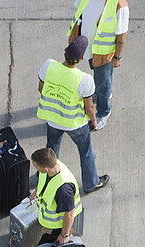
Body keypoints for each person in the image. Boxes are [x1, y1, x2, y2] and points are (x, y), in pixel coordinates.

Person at [36, 35, 109, 194]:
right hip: (75, 124)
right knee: (86, 152)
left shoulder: (48, 65)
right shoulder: (85, 79)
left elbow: (41, 89)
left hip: (52, 119)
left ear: (65, 51)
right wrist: (94, 121)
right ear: (81, 58)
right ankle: (91, 183)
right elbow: (89, 107)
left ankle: (46, 175)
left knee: (52, 149)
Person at [6, 148, 83, 247]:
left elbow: (69, 213)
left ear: (46, 168)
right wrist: (34, 195)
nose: (35, 169)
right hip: (47, 220)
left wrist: (64, 234)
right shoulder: (54, 164)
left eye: (36, 167)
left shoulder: (64, 188)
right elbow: (43, 182)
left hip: (56, 227)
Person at [70, 0, 129, 130]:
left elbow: (122, 36)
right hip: (89, 48)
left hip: (103, 53)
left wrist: (117, 57)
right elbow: (80, 13)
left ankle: (104, 111)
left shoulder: (119, 5)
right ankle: (104, 94)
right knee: (103, 78)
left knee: (102, 83)